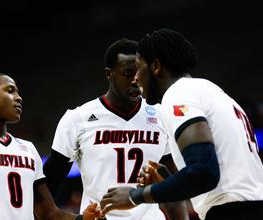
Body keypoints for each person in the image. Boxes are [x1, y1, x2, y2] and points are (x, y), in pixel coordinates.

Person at [99, 29, 263, 220]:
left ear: (156, 66)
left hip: (234, 212)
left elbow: (204, 173)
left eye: (138, 67)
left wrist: (134, 196)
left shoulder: (178, 94)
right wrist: (169, 181)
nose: (135, 78)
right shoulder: (211, 90)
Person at [43, 38, 189, 220]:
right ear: (109, 74)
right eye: (128, 74)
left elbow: (172, 189)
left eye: (139, 73)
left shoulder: (161, 115)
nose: (136, 81)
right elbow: (46, 191)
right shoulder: (77, 119)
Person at [0, 72, 103, 220]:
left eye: (17, 92)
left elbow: (48, 213)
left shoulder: (28, 149)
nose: (19, 98)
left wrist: (82, 219)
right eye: (10, 91)